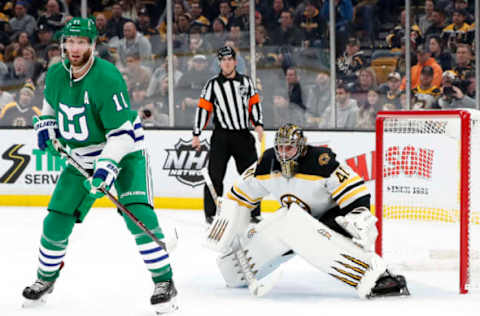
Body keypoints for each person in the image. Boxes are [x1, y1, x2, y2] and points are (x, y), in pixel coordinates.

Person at [21, 18, 178, 314]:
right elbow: (52, 105)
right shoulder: (55, 73)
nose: (75, 47)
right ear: (63, 44)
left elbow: (120, 135)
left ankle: (164, 281)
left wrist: (106, 167)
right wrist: (46, 124)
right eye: (71, 42)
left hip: (125, 150)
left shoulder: (106, 77)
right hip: (80, 156)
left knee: (137, 215)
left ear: (93, 45)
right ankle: (45, 279)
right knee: (55, 221)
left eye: (82, 42)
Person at [207, 123, 410, 298]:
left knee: (302, 232)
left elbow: (355, 191)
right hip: (298, 217)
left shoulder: (320, 162)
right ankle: (235, 273)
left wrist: (358, 216)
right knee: (279, 230)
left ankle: (379, 278)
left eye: (289, 148)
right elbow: (238, 196)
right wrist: (228, 227)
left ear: (301, 148)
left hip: (333, 216)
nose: (284, 154)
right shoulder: (266, 163)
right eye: (280, 148)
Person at [192, 45, 264, 224]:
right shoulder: (212, 84)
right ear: (220, 62)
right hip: (221, 136)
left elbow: (254, 104)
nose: (227, 63)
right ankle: (211, 213)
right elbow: (203, 109)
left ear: (235, 61)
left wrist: (258, 125)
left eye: (230, 59)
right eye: (223, 60)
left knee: (251, 175)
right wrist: (196, 133)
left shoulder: (246, 82)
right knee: (215, 175)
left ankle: (254, 212)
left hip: (243, 135)